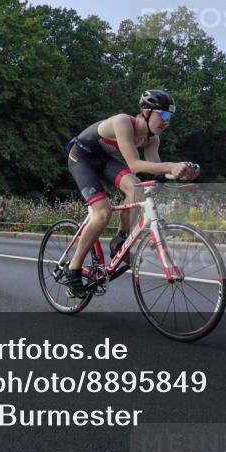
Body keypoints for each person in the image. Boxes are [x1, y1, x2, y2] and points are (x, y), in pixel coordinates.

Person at [64, 89, 199, 298]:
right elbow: (135, 165)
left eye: (170, 117)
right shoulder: (123, 122)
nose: (166, 122)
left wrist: (182, 174)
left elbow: (155, 171)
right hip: (81, 157)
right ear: (146, 111)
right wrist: (171, 165)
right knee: (103, 213)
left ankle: (120, 239)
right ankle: (73, 271)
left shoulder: (152, 139)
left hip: (104, 160)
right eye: (163, 115)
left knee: (136, 187)